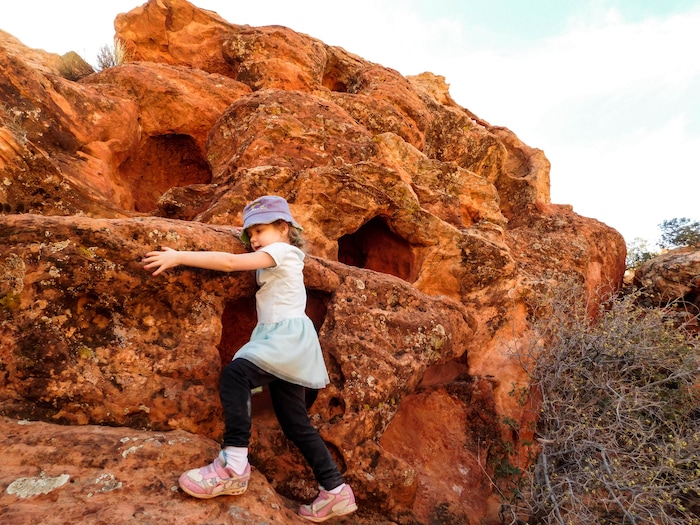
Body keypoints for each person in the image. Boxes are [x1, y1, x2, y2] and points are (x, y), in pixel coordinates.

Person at [142, 195, 357, 522]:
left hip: (285, 337)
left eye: (260, 230)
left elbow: (229, 264)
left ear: (283, 228)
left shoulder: (282, 251)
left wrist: (179, 256)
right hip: (287, 340)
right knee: (295, 422)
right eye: (250, 234)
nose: (254, 239)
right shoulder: (278, 253)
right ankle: (336, 490)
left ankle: (233, 465)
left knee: (236, 376)